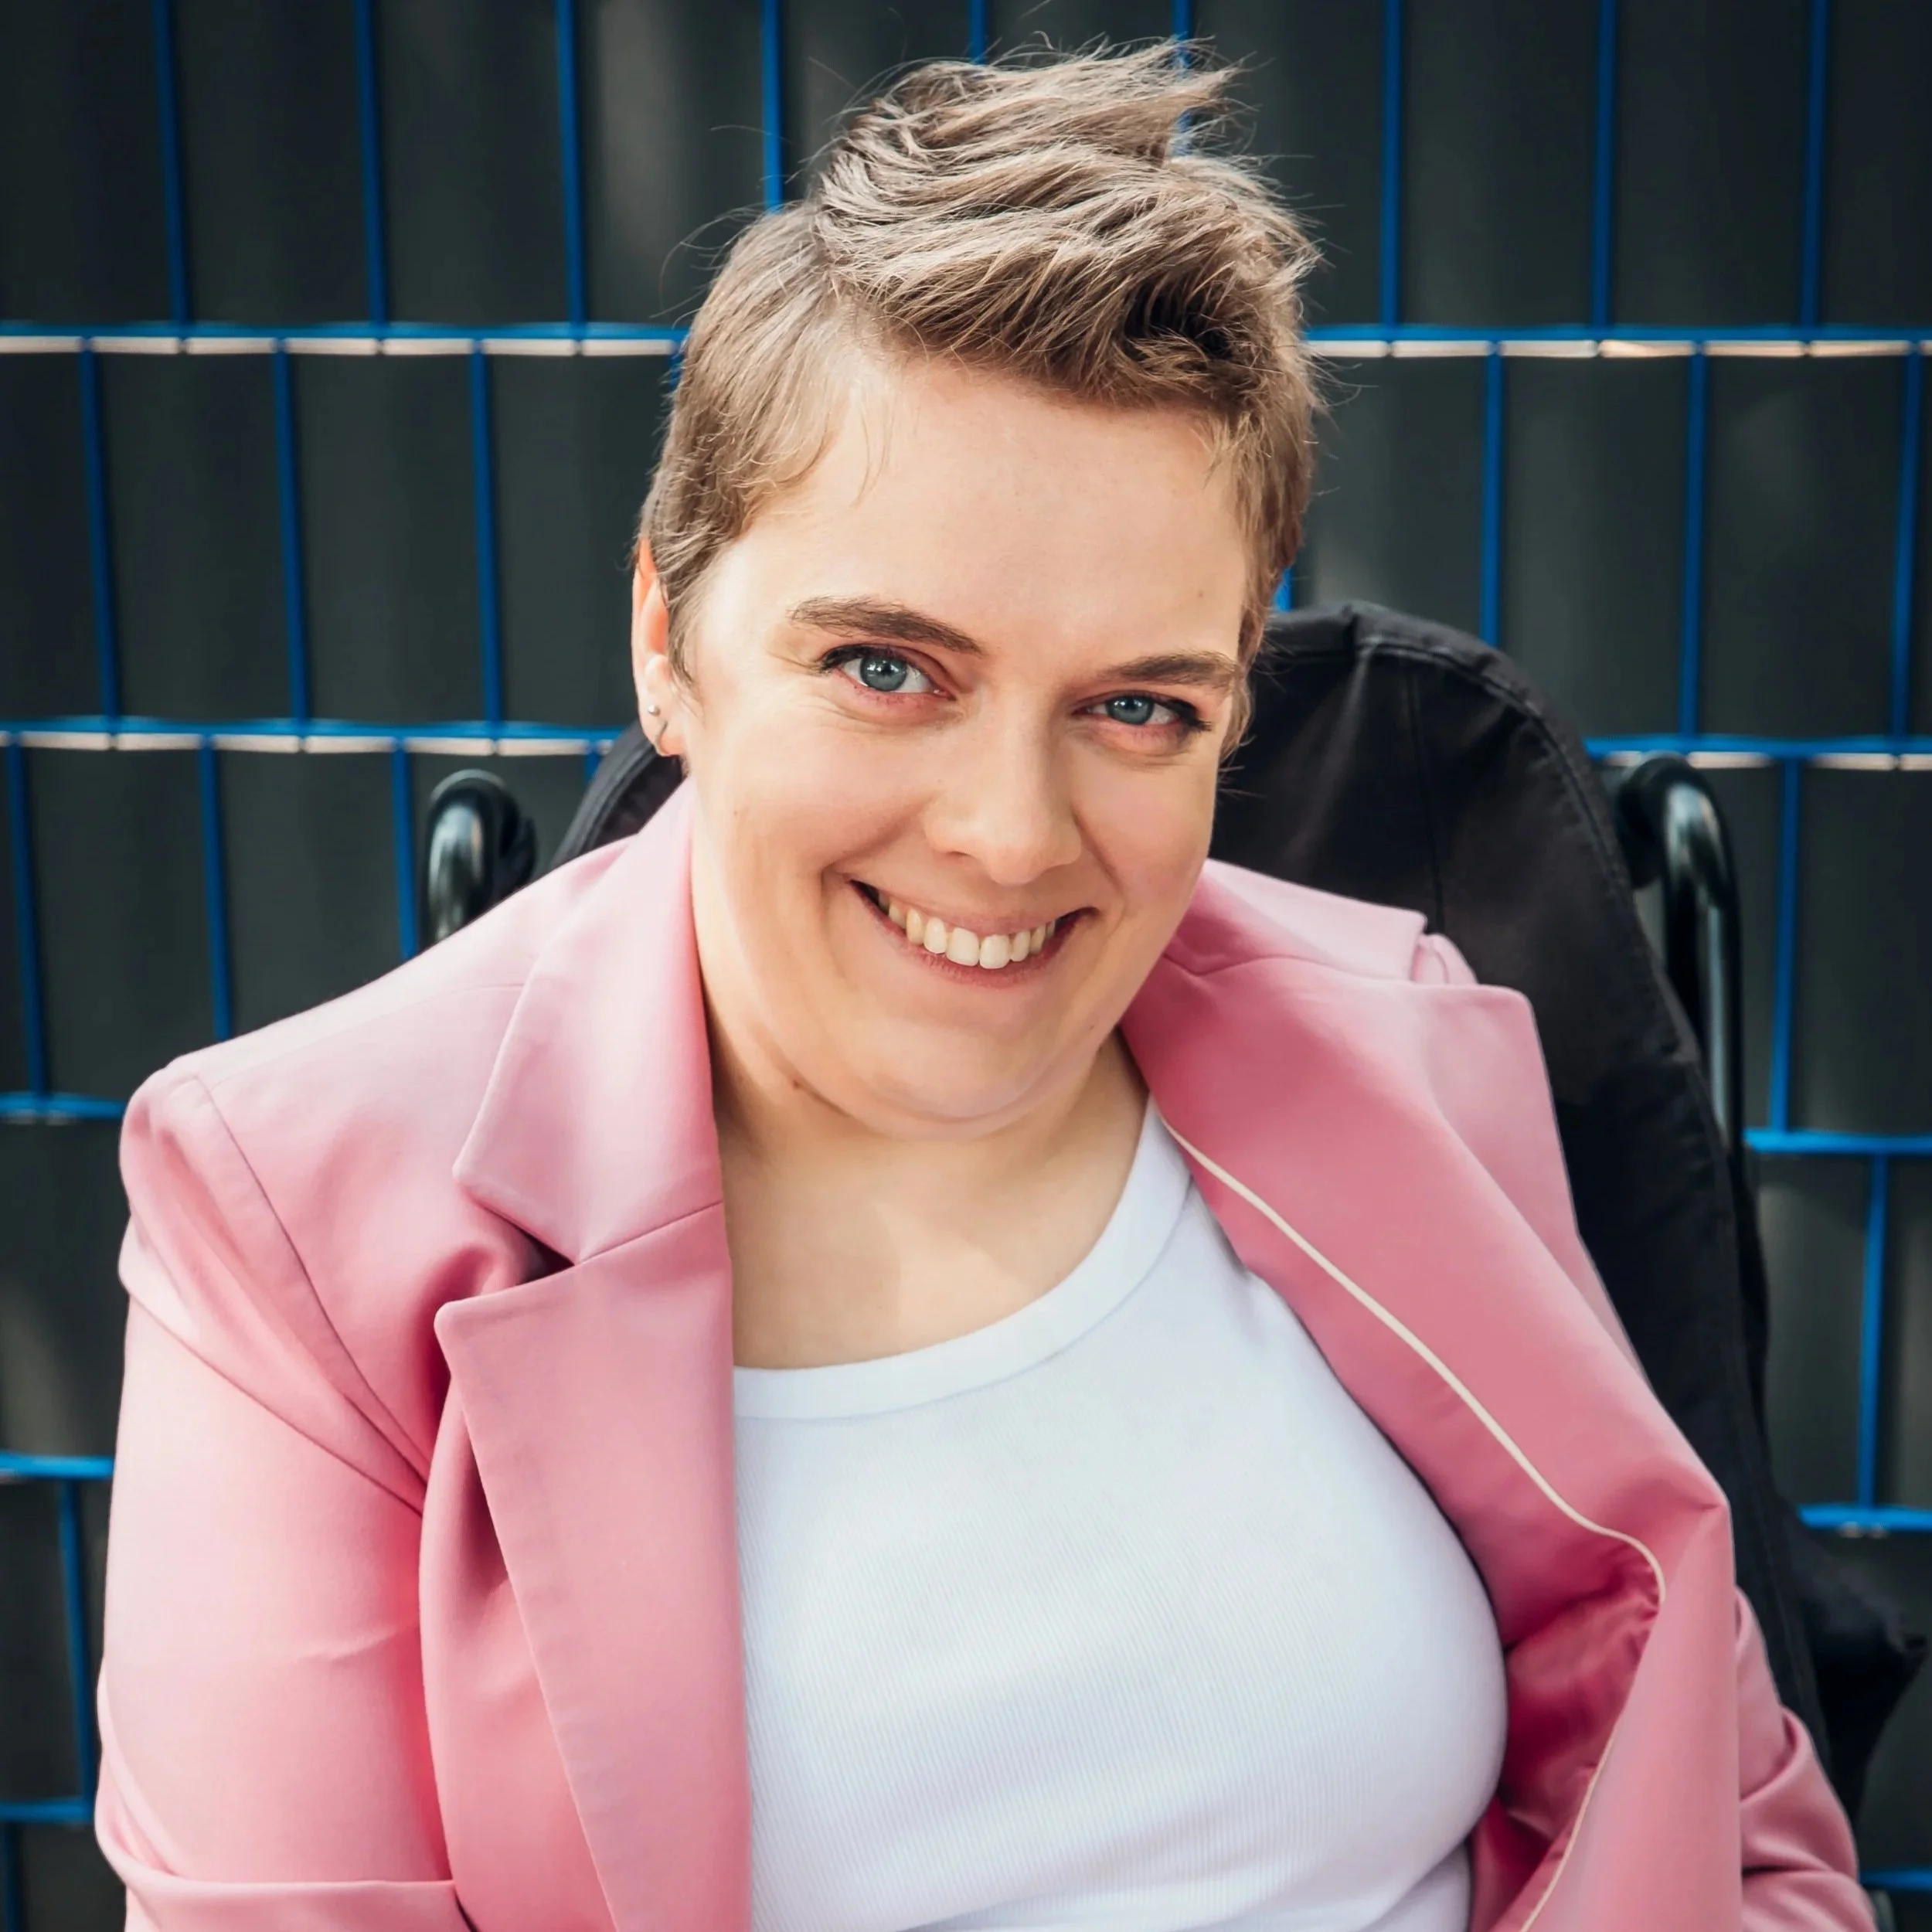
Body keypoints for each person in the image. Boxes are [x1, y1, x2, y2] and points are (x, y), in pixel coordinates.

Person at [96, 45, 1866, 1932]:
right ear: (666, 638)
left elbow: (1741, 1839)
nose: (1012, 836)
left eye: (1137, 705)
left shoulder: (1408, 1040)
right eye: (886, 668)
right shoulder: (295, 1226)